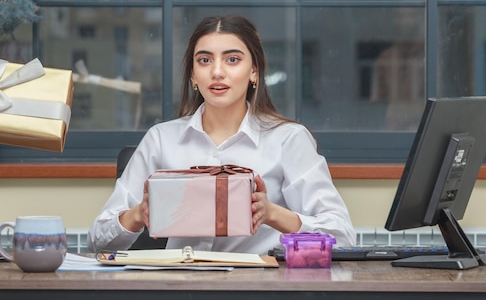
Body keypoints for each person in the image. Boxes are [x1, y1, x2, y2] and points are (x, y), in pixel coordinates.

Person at [87, 14, 356, 255]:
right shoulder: (160, 139)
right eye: (204, 60)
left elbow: (343, 237)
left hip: (262, 287)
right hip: (181, 285)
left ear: (254, 72)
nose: (217, 72)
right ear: (193, 75)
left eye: (232, 59)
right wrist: (138, 214)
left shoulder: (289, 139)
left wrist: (272, 214)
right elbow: (96, 242)